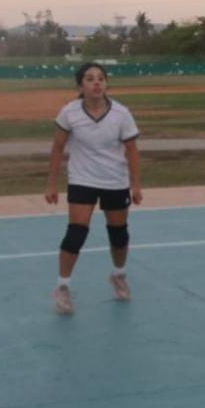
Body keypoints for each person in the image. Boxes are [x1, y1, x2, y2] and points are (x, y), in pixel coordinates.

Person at [45, 62, 142, 313]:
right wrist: (51, 183)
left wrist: (135, 185)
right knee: (76, 233)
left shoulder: (121, 113)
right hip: (82, 180)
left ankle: (118, 274)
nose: (96, 83)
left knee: (118, 235)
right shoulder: (69, 113)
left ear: (106, 83)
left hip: (115, 181)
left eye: (101, 78)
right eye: (89, 79)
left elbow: (132, 151)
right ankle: (62, 287)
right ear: (81, 86)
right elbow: (57, 148)